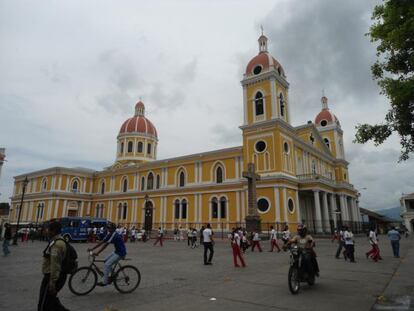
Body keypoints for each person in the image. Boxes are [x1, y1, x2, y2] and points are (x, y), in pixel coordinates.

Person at [38, 221, 70, 311]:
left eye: (48, 229)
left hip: (52, 278)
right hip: (52, 276)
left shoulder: (57, 244)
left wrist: (52, 283)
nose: (46, 231)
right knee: (50, 302)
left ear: (54, 231)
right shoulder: (55, 241)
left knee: (43, 305)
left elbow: (55, 265)